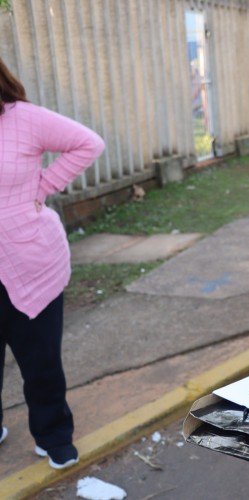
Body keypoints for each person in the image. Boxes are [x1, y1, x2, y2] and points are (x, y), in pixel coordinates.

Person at [0, 56, 105, 469]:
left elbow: (88, 143)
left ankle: (54, 434)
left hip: (31, 262)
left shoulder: (23, 119)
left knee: (40, 360)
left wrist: (42, 186)